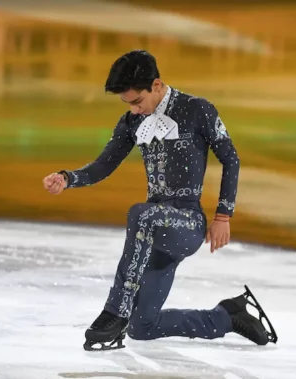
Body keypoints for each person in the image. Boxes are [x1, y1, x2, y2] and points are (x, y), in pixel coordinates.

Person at [42, 50, 277, 351]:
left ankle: (115, 311)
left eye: (137, 101)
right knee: (143, 327)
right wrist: (68, 178)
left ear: (156, 85)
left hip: (187, 224)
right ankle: (227, 316)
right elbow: (104, 165)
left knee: (141, 214)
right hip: (154, 233)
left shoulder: (197, 109)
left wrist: (223, 216)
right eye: (127, 104)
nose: (134, 110)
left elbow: (231, 159)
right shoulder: (131, 122)